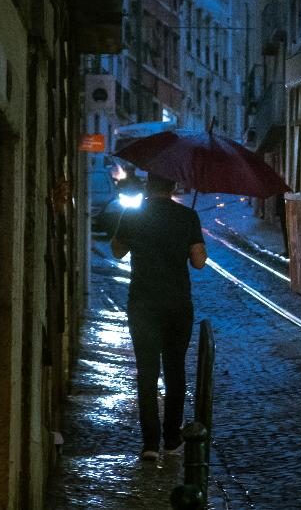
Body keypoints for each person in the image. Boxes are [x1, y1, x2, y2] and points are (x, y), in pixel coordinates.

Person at [110, 173, 208, 461]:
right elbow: (199, 262)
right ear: (174, 187)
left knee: (147, 373)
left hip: (143, 303)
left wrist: (126, 232)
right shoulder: (187, 216)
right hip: (177, 304)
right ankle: (172, 438)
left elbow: (117, 252)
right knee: (175, 370)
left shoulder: (132, 215)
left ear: (147, 186)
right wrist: (191, 241)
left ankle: (149, 444)